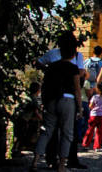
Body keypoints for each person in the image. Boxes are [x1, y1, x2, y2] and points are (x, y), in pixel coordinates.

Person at [30, 33, 82, 172]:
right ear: (72, 53)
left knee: (47, 131)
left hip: (52, 100)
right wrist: (80, 108)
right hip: (67, 100)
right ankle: (61, 165)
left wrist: (45, 102)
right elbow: (77, 90)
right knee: (67, 133)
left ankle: (35, 162)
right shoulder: (73, 68)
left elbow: (45, 85)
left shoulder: (51, 67)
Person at [11, 82, 42, 157]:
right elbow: (36, 112)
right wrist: (43, 119)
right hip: (24, 120)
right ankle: (17, 151)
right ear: (38, 90)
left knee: (18, 136)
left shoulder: (26, 97)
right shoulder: (34, 100)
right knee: (22, 136)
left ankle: (15, 151)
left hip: (19, 118)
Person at [81, 82, 102, 151]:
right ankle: (97, 146)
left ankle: (85, 145)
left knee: (90, 131)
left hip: (94, 116)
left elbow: (91, 106)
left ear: (97, 89)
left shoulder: (95, 97)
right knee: (99, 132)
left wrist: (93, 108)